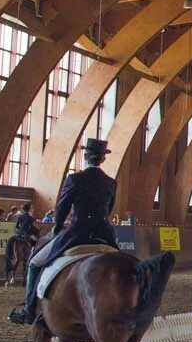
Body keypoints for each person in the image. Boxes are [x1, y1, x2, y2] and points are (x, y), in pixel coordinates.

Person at [10, 139, 119, 325]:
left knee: (35, 263)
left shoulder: (75, 179)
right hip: (105, 233)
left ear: (85, 157)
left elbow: (62, 207)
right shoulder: (111, 183)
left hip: (77, 232)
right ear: (102, 159)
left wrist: (58, 228)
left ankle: (29, 310)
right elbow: (108, 209)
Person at [4, 201, 37, 276]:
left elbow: (17, 226)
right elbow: (30, 228)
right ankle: (32, 254)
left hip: (18, 233)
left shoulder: (20, 216)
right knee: (36, 241)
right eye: (31, 208)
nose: (32, 209)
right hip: (26, 233)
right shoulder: (30, 218)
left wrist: (19, 231)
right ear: (29, 209)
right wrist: (32, 232)